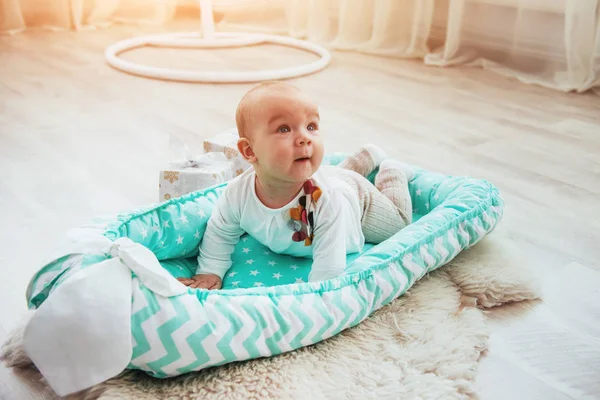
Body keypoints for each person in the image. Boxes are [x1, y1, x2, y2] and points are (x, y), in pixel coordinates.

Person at [178, 82, 414, 290]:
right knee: (332, 175)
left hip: (359, 204)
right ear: (249, 151)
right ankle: (364, 157)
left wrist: (316, 299)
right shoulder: (237, 193)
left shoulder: (325, 200)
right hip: (332, 178)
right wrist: (210, 270)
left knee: (400, 223)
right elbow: (221, 232)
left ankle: (392, 171)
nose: (305, 137)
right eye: (284, 129)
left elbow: (328, 270)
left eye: (311, 126)